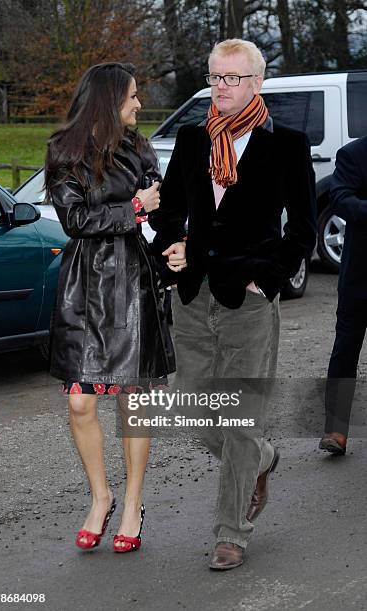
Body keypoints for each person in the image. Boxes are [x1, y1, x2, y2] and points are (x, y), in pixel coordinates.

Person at [150, 38, 316, 570]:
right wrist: (171, 245)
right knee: (198, 415)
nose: (220, 87)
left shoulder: (287, 145)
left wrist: (267, 280)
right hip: (193, 295)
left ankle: (231, 532)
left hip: (247, 300)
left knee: (239, 418)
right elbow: (169, 210)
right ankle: (263, 458)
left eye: (232, 78)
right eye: (214, 78)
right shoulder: (192, 139)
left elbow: (304, 231)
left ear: (256, 82)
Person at [45, 62, 175, 553]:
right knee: (81, 400)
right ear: (108, 99)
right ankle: (100, 497)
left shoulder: (140, 148)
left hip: (133, 279)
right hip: (84, 282)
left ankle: (132, 503)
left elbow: (163, 200)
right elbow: (75, 219)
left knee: (133, 400)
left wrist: (169, 232)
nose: (139, 104)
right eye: (133, 96)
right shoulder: (63, 150)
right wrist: (135, 208)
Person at [319, 135, 367, 456]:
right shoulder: (353, 154)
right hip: (360, 277)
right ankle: (336, 430)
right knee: (346, 350)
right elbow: (339, 198)